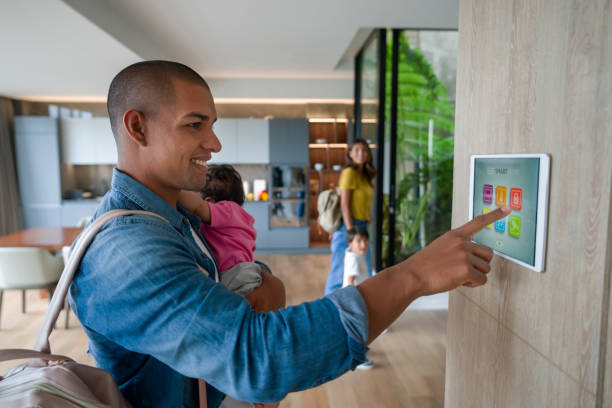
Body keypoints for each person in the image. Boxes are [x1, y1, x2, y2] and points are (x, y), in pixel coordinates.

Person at [68, 60, 510, 408]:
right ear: (137, 127)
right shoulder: (128, 251)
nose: (215, 143)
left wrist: (265, 280)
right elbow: (260, 357)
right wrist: (412, 276)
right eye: (195, 124)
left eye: (213, 124)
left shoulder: (170, 214)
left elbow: (220, 273)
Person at [178, 163, 281, 407]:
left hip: (236, 275)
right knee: (252, 338)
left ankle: (255, 387)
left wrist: (169, 188)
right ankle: (260, 386)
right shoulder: (239, 216)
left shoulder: (225, 211)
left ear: (211, 200)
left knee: (231, 336)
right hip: (244, 272)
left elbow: (194, 205)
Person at [325, 139, 375, 295]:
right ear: (350, 154)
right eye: (357, 150)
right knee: (339, 274)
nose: (361, 153)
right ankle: (326, 314)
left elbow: (362, 200)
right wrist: (351, 233)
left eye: (365, 150)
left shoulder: (365, 175)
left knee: (362, 270)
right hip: (349, 228)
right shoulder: (349, 173)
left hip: (361, 226)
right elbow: (344, 205)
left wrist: (367, 216)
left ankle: (356, 310)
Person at [342, 226, 374, 370]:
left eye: (365, 241)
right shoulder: (354, 259)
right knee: (359, 329)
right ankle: (357, 359)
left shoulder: (351, 254)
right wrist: (357, 303)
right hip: (354, 299)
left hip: (350, 298)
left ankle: (351, 352)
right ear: (350, 243)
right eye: (359, 241)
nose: (363, 244)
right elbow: (351, 281)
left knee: (354, 329)